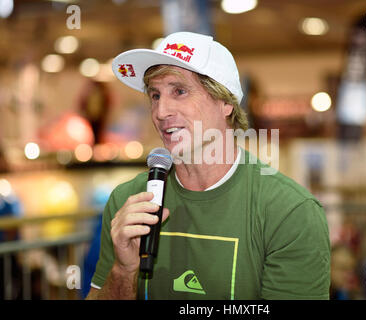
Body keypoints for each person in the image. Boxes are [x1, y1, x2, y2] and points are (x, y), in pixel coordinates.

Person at [86, 31, 330, 300]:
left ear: (225, 102)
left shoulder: (289, 212)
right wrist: (124, 270)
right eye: (155, 95)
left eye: (179, 91)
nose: (160, 111)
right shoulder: (128, 200)